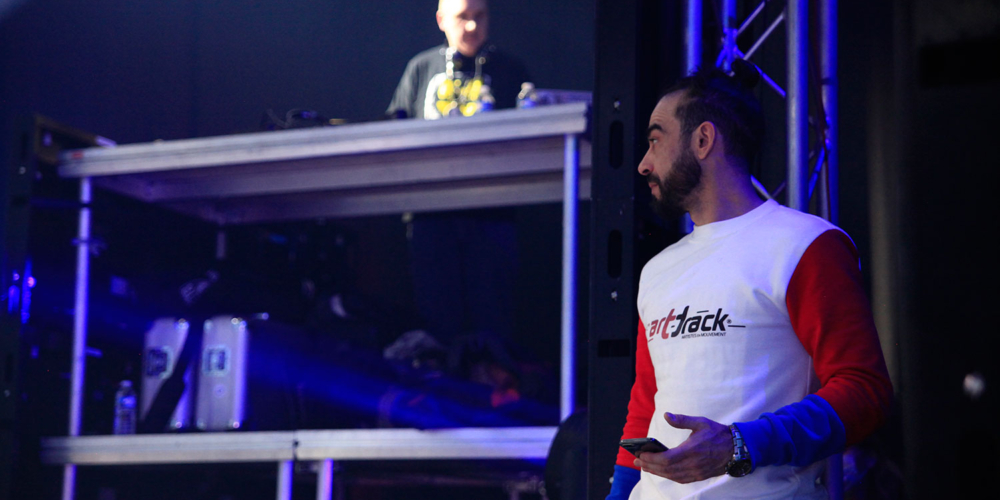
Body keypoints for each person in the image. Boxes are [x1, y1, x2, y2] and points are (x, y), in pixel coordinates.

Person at [606, 65, 893, 499]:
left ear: (703, 140)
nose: (644, 164)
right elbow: (645, 408)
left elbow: (865, 390)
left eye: (656, 140)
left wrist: (740, 445)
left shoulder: (805, 244)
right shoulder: (658, 269)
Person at [387, 0, 529, 119]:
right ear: (441, 20)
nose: (472, 26)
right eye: (462, 16)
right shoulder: (421, 66)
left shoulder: (511, 69)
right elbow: (395, 127)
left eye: (479, 16)